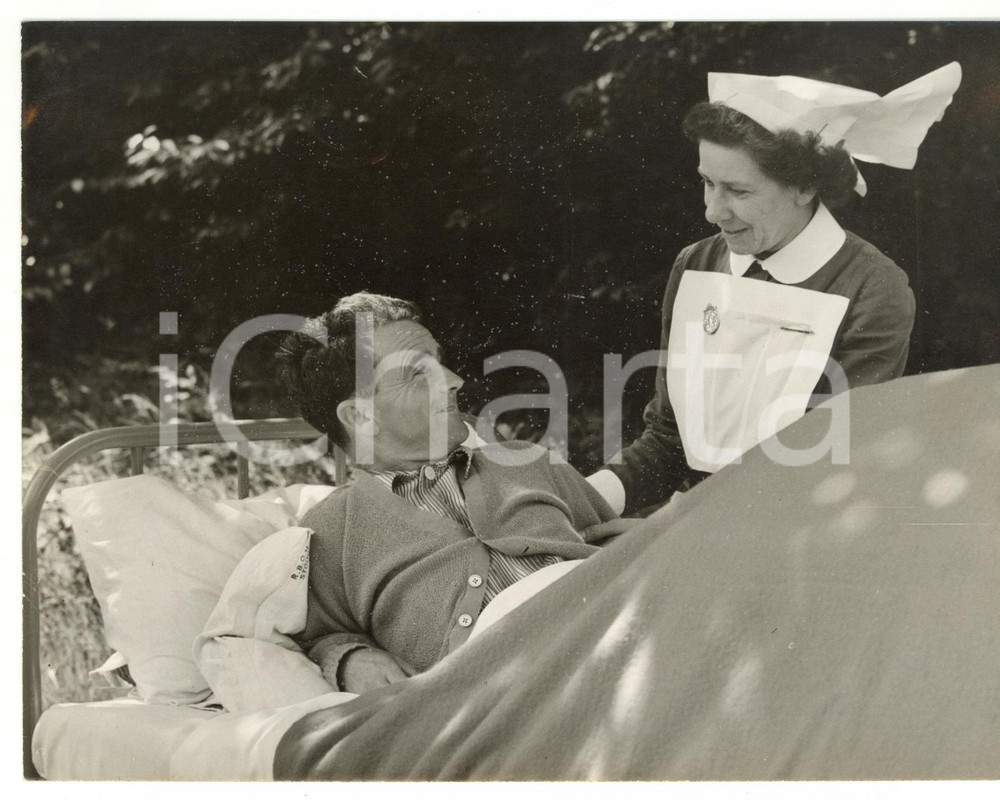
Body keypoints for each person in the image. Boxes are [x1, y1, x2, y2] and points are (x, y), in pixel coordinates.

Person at [587, 63, 962, 516]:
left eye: (738, 191)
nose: (712, 211)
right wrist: (580, 502)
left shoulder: (871, 288)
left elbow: (826, 471)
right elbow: (668, 440)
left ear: (805, 186)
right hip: (686, 520)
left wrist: (686, 522)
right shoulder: (696, 264)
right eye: (707, 183)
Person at [277, 292, 631, 694]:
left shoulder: (526, 460)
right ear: (359, 415)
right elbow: (317, 637)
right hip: (514, 691)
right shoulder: (331, 531)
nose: (452, 380)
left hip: (617, 627)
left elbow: (614, 540)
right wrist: (346, 659)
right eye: (417, 372)